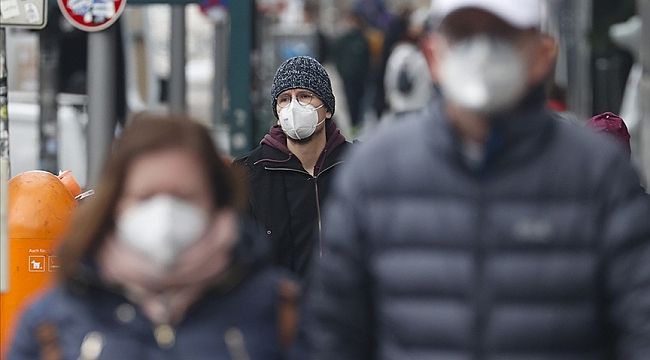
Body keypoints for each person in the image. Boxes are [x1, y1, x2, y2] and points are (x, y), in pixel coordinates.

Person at [304, 0, 650, 358]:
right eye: (464, 34)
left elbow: (639, 325)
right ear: (433, 54)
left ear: (542, 53)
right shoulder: (375, 175)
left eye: (503, 34)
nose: (483, 52)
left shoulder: (597, 176)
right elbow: (334, 334)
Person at [6, 114, 302, 359]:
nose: (165, 213)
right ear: (115, 203)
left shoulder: (277, 311)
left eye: (183, 197)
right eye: (146, 197)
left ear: (216, 202)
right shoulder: (52, 322)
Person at [234, 56, 353, 278]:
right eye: (285, 99)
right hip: (277, 308)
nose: (294, 107)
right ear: (277, 113)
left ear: (327, 109)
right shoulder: (248, 175)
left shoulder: (357, 167)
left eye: (305, 96)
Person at [331, 10, 371, 130]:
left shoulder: (362, 39)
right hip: (348, 77)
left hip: (360, 78)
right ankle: (354, 125)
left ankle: (358, 124)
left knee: (360, 102)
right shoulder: (343, 40)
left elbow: (367, 59)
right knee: (350, 101)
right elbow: (336, 57)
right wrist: (342, 71)